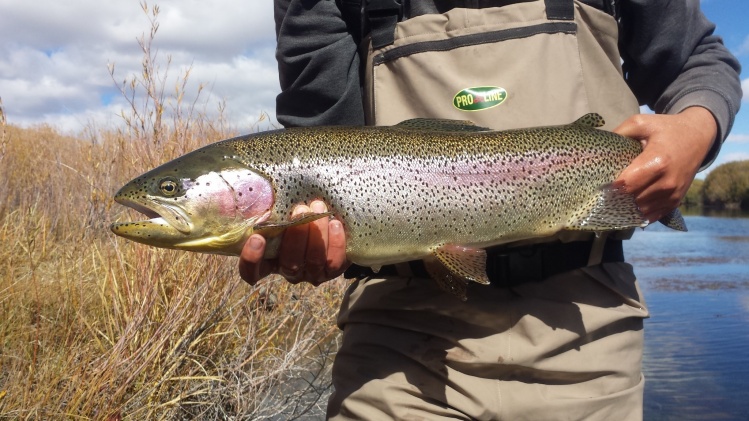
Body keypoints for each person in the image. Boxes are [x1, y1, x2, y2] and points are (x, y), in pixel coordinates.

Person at [240, 0, 742, 419]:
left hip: (588, 328)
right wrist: (320, 243)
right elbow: (326, 132)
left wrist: (695, 130)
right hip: (398, 347)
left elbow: (699, 60)